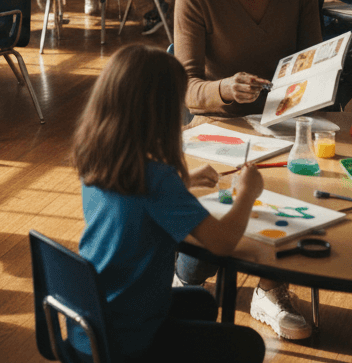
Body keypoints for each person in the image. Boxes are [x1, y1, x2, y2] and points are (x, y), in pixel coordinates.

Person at [172, 0, 320, 341]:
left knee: (295, 191)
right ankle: (185, 278)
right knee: (196, 269)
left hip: (282, 124)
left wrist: (308, 90)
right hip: (218, 129)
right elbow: (186, 86)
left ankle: (270, 289)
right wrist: (223, 89)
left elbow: (314, 60)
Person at [72, 45, 266, 363]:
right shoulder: (158, 180)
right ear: (161, 112)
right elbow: (222, 243)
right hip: (124, 342)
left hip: (91, 319)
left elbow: (132, 201)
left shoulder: (99, 158)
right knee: (248, 345)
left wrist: (183, 183)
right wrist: (247, 192)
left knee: (201, 303)